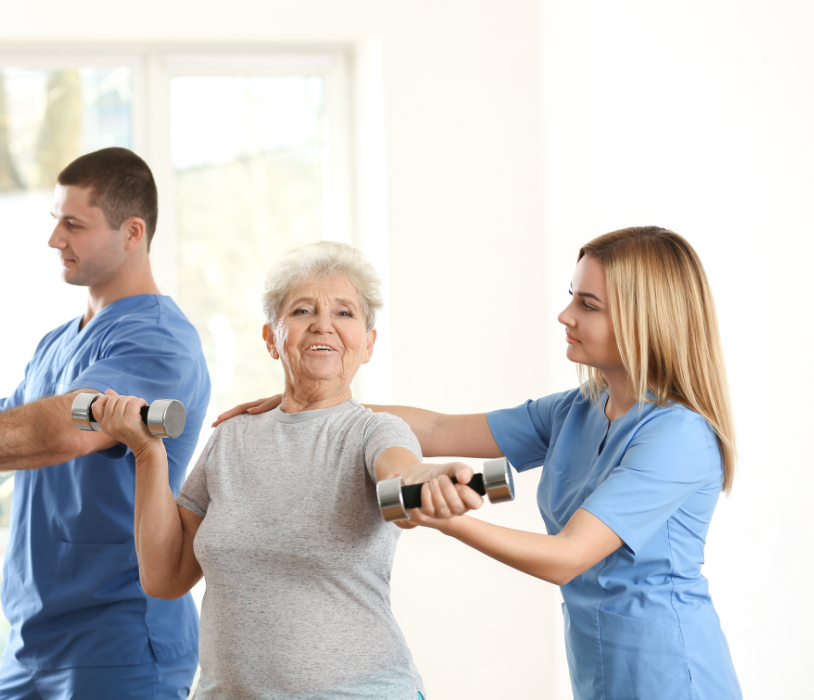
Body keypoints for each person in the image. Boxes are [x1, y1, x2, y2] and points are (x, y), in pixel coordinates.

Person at [220, 227, 741, 700]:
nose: (565, 316)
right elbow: (437, 429)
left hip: (674, 673)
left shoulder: (680, 436)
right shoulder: (576, 410)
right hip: (597, 666)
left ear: (643, 319)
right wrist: (310, 402)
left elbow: (567, 557)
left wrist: (446, 518)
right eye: (571, 297)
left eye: (587, 304)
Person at [0, 147, 211, 700]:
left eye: (73, 224)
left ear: (132, 232)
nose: (55, 239)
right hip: (32, 639)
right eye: (56, 220)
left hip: (118, 637)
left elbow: (63, 431)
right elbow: (2, 430)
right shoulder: (56, 342)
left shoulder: (159, 339)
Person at [90, 241, 479, 700]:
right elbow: (165, 576)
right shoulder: (231, 437)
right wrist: (147, 452)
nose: (323, 324)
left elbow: (400, 473)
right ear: (272, 338)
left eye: (344, 313)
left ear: (369, 344)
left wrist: (424, 481)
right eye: (302, 310)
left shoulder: (375, 431)